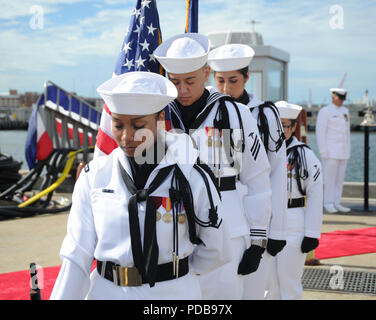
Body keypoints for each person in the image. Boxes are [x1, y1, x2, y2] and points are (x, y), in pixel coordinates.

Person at [50, 71, 230, 300]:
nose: (126, 136)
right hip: (107, 292)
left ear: (160, 118)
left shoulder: (192, 176)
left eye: (138, 125)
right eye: (118, 125)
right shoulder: (95, 176)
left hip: (172, 295)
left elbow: (216, 248)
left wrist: (176, 275)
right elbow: (77, 254)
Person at [153, 33, 272, 299]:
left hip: (228, 230)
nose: (182, 90)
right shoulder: (159, 116)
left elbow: (257, 179)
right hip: (173, 231)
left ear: (206, 73)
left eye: (190, 81)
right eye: (174, 82)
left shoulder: (234, 115)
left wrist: (257, 239)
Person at [207, 43, 287, 299]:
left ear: (247, 78)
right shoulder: (206, 113)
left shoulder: (264, 115)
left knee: (253, 291)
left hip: (257, 218)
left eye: (233, 80)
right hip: (224, 217)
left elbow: (275, 174)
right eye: (220, 81)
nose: (226, 89)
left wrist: (276, 230)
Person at [266, 101, 323, 300]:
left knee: (289, 282)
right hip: (267, 221)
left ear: (294, 127)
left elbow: (316, 195)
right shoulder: (263, 152)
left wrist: (312, 233)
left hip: (293, 220)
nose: (280, 131)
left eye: (285, 125)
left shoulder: (305, 155)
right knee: (268, 284)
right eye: (275, 125)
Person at [316, 88, 351, 213]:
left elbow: (347, 133)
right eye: (339, 98)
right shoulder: (325, 111)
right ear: (333, 97)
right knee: (330, 179)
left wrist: (348, 150)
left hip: (343, 151)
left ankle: (337, 202)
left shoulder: (345, 111)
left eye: (343, 99)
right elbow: (320, 132)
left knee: (339, 180)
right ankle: (328, 203)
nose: (341, 101)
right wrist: (323, 151)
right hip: (330, 152)